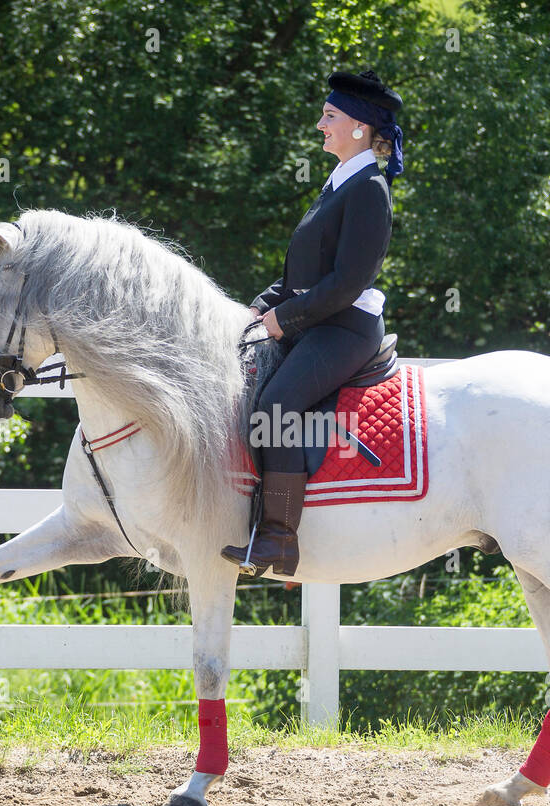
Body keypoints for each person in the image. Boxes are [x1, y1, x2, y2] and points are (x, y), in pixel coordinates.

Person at [222, 69, 404, 576]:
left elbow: (347, 282)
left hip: (344, 328)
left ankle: (279, 538)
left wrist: (285, 319)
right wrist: (254, 311)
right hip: (312, 320)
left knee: (277, 403)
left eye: (329, 116)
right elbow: (300, 274)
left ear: (360, 128)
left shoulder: (369, 189)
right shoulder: (337, 184)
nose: (319, 124)